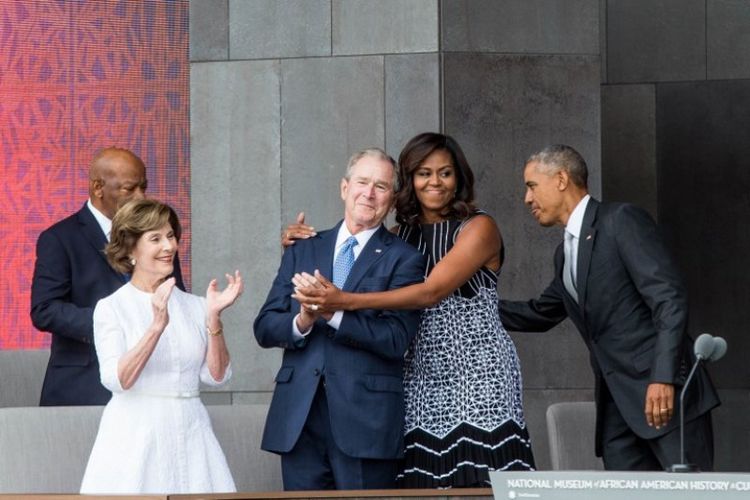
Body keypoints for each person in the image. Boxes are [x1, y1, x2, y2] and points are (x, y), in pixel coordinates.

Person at [289, 132, 535, 488]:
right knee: (424, 478)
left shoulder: (480, 226)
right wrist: (300, 244)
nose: (435, 181)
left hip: (480, 372)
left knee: (482, 479)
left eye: (445, 173)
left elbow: (431, 292)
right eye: (423, 173)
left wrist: (344, 300)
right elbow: (349, 250)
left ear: (459, 179)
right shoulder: (398, 236)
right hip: (418, 372)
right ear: (409, 181)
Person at [499, 144, 719, 470]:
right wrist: (469, 309)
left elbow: (669, 300)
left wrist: (664, 377)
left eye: (531, 186)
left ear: (561, 178)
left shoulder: (621, 221)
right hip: (617, 411)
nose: (527, 199)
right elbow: (540, 312)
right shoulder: (565, 254)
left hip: (665, 399)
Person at [254, 148, 426, 490]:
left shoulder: (405, 259)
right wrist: (302, 320)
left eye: (381, 186)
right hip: (299, 419)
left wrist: (332, 313)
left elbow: (395, 340)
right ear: (344, 188)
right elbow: (265, 326)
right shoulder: (303, 248)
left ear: (392, 200)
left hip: (367, 421)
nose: (369, 192)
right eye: (362, 181)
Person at [79, 199, 241, 494]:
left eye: (171, 236)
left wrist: (214, 317)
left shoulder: (195, 305)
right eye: (155, 239)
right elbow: (118, 379)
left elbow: (217, 377)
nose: (169, 246)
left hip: (193, 430)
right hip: (135, 434)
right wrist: (156, 325)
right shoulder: (112, 307)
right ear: (130, 250)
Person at [31, 147, 184, 406]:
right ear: (98, 187)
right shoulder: (59, 239)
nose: (141, 196)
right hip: (84, 386)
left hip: (153, 384)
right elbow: (45, 310)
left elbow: (176, 296)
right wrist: (112, 321)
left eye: (143, 187)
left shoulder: (159, 239)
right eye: (129, 189)